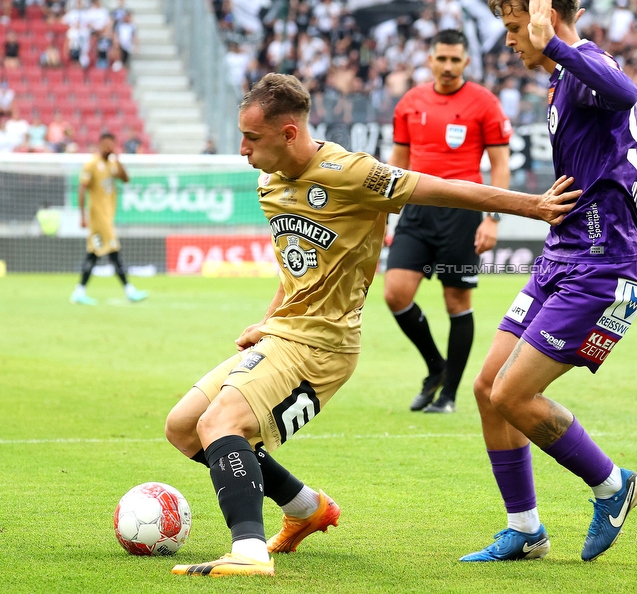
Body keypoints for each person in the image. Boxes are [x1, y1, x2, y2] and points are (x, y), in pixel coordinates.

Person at [163, 73, 578, 577]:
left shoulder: (352, 172)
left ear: (289, 132)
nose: (242, 150)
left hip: (323, 346)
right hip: (284, 334)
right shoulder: (269, 180)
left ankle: (248, 552)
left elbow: (440, 189)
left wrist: (530, 207)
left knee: (219, 424)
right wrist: (269, 319)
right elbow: (295, 261)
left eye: (252, 138)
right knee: (184, 428)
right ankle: (306, 509)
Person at [459, 0, 637, 564]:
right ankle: (525, 529)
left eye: (516, 25)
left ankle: (613, 485)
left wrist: (557, 46)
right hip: (561, 254)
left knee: (514, 395)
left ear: (548, 15)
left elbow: (626, 92)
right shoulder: (562, 79)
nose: (510, 39)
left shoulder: (587, 66)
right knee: (488, 388)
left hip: (604, 264)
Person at [384, 29, 513, 414]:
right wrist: (383, 209)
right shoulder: (410, 102)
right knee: (395, 294)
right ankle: (435, 367)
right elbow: (398, 160)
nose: (447, 66)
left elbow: (500, 165)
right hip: (417, 209)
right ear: (430, 59)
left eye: (455, 59)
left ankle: (450, 395)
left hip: (463, 213)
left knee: (456, 300)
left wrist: (492, 218)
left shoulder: (484, 103)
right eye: (441, 58)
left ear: (466, 62)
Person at [70, 132, 148, 305]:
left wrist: (118, 160)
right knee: (114, 252)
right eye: (106, 143)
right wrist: (82, 216)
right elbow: (82, 189)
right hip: (98, 218)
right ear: (100, 144)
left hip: (108, 216)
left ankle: (79, 291)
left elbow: (126, 179)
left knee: (94, 254)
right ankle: (129, 290)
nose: (109, 147)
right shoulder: (91, 164)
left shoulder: (113, 163)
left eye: (112, 143)